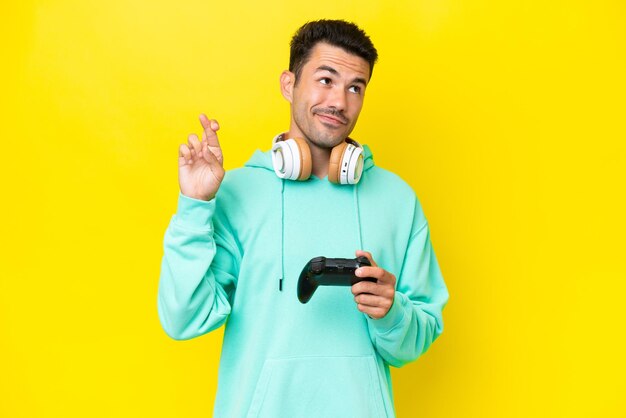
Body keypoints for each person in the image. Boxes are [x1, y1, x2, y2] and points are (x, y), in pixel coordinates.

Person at [157, 19, 449, 418]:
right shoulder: (237, 193)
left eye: (355, 88)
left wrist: (392, 310)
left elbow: (418, 337)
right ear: (288, 84)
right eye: (326, 80)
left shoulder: (397, 199)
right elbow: (182, 319)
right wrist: (194, 205)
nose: (340, 102)